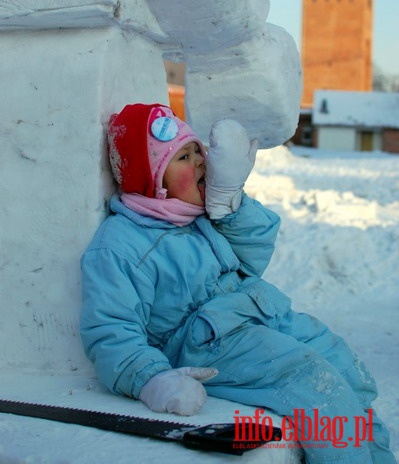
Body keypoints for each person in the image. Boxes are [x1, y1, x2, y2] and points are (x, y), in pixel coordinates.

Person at [80, 103, 395, 463]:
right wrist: (151, 379)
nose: (200, 161)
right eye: (183, 156)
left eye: (198, 150)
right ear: (151, 177)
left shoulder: (193, 215)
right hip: (210, 344)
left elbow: (251, 260)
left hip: (254, 316)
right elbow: (110, 329)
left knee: (341, 362)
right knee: (314, 384)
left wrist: (229, 203)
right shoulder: (121, 245)